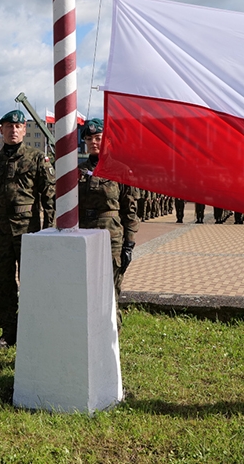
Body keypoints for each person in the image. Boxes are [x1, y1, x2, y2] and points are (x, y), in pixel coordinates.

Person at [0, 110, 55, 348]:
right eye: (9, 126)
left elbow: (50, 197)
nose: (13, 130)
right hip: (0, 233)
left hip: (28, 232)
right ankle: (9, 332)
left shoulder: (37, 158)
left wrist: (50, 231)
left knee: (32, 283)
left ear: (25, 130)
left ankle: (32, 329)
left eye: (18, 126)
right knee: (2, 282)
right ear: (1, 130)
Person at [77, 118, 139, 329]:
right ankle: (90, 333)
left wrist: (129, 243)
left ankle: (112, 333)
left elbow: (130, 210)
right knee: (86, 286)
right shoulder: (78, 171)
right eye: (88, 139)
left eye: (98, 138)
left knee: (110, 288)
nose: (93, 142)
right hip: (83, 233)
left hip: (110, 236)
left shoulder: (121, 170)